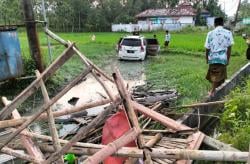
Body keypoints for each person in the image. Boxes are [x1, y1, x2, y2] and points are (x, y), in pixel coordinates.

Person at [205, 17, 234, 96]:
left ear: (215, 24)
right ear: (222, 24)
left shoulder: (210, 33)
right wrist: (228, 59)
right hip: (223, 58)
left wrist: (207, 58)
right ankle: (218, 92)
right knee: (221, 76)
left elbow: (207, 48)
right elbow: (229, 48)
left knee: (215, 75)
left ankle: (212, 92)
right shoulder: (228, 33)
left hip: (213, 58)